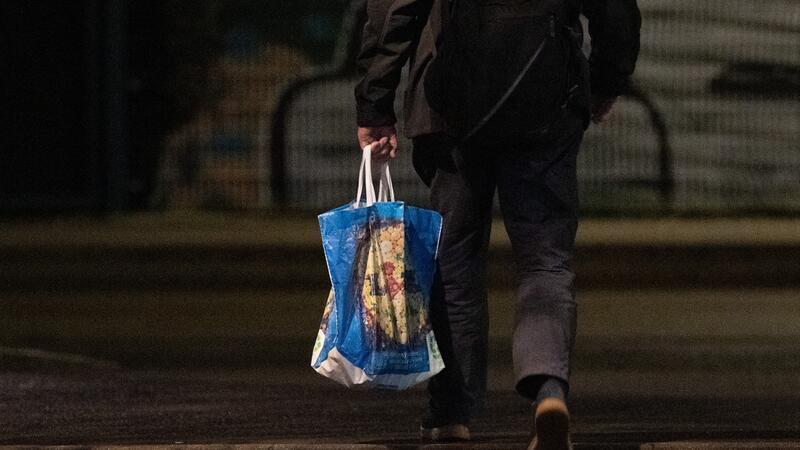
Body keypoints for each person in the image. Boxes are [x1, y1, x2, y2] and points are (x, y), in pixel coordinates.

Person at [354, 0, 641, 448]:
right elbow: (614, 8)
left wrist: (376, 101)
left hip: (449, 106)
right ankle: (548, 390)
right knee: (546, 258)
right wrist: (607, 80)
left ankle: (451, 412)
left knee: (454, 260)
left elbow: (396, 8)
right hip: (545, 94)